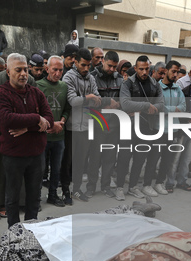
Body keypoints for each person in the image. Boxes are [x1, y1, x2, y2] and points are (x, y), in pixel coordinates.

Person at [0, 53, 54, 227]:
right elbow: (7, 119)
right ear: (8, 70)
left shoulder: (36, 93)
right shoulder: (0, 93)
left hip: (36, 155)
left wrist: (28, 127)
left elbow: (49, 119)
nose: (23, 74)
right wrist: (36, 118)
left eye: (25, 70)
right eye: (18, 70)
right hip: (14, 156)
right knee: (12, 198)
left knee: (34, 197)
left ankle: (31, 230)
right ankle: (14, 233)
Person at [117, 55, 165, 199]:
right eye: (141, 69)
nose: (144, 72)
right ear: (136, 68)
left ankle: (132, 187)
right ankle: (120, 187)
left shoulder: (155, 84)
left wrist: (143, 108)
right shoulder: (128, 84)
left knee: (139, 159)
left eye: (147, 69)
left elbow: (161, 104)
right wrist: (147, 105)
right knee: (124, 158)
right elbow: (125, 104)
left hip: (146, 127)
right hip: (129, 126)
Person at [62, 48, 101, 202]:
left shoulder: (91, 78)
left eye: (88, 65)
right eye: (83, 65)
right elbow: (72, 101)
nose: (86, 68)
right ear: (75, 62)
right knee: (67, 162)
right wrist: (88, 98)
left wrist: (90, 98)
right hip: (70, 127)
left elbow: (97, 98)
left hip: (86, 127)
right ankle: (65, 191)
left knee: (80, 161)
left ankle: (76, 190)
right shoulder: (68, 77)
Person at [37, 55, 70, 207]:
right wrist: (48, 124)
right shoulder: (38, 86)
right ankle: (36, 198)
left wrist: (61, 122)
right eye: (54, 70)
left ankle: (53, 195)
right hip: (42, 136)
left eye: (60, 70)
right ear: (47, 69)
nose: (57, 73)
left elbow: (66, 109)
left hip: (59, 135)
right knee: (39, 169)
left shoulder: (64, 86)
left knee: (56, 169)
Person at [90, 50, 123, 199]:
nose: (112, 70)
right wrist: (105, 106)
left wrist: (118, 105)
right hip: (97, 125)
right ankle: (91, 187)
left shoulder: (120, 79)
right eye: (109, 66)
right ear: (103, 61)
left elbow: (125, 99)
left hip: (114, 126)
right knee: (95, 158)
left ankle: (106, 186)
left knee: (110, 158)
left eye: (114, 67)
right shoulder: (93, 77)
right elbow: (90, 101)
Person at [155, 60, 185, 195]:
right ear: (166, 71)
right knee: (153, 158)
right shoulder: (157, 88)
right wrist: (175, 109)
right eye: (173, 71)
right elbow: (158, 107)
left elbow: (183, 107)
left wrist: (169, 109)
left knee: (167, 159)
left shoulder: (178, 89)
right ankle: (147, 183)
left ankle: (159, 183)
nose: (175, 74)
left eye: (177, 72)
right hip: (158, 129)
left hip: (172, 130)